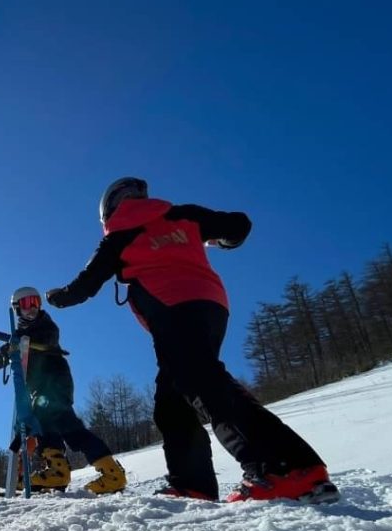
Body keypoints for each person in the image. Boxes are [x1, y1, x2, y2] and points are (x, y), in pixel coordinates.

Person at [44, 177, 339, 504]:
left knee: (201, 382)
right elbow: (238, 225)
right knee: (172, 399)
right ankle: (192, 485)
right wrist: (215, 240)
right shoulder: (182, 214)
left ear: (108, 210)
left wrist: (58, 297)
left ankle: (284, 468)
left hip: (171, 308)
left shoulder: (118, 236)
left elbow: (85, 285)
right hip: (212, 305)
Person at [0, 286, 127, 494]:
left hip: (55, 383)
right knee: (43, 425)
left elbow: (48, 338)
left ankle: (110, 473)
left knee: (65, 424)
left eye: (36, 302)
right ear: (17, 309)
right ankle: (57, 471)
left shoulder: (45, 326)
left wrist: (24, 343)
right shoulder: (16, 339)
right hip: (40, 391)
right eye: (27, 304)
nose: (33, 308)